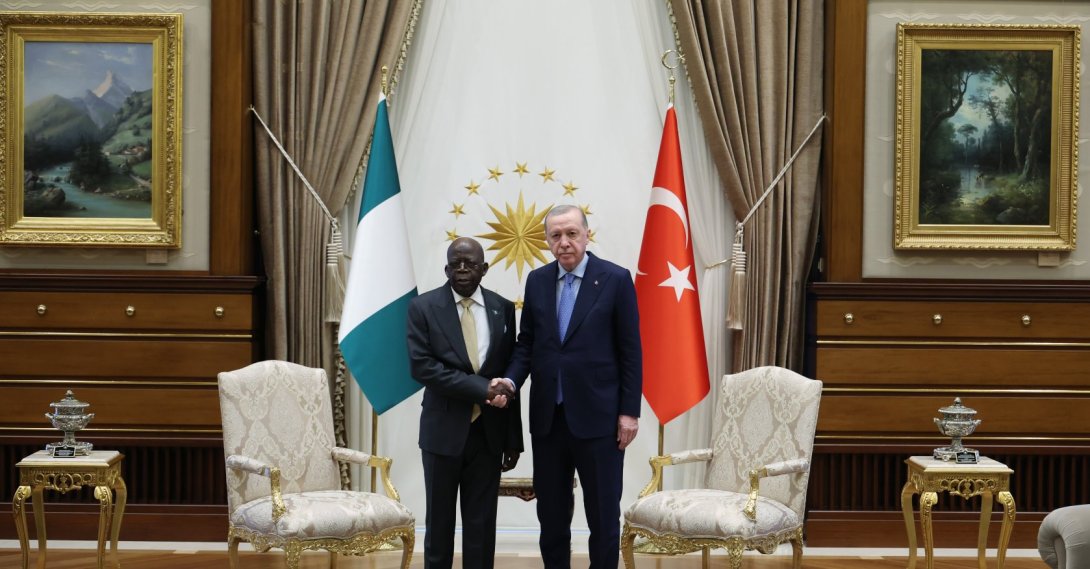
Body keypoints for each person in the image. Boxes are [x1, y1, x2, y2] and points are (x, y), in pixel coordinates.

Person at [502, 205, 642, 568]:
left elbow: (631, 352)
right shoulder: (537, 281)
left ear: (586, 234)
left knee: (602, 514)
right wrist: (511, 381)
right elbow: (527, 344)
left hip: (600, 420)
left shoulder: (615, 279)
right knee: (551, 516)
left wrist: (629, 412)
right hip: (549, 419)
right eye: (555, 236)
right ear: (547, 240)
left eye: (571, 234)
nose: (564, 242)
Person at [407, 237, 522, 569]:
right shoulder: (423, 308)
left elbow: (507, 376)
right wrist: (481, 388)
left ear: (484, 269)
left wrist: (512, 439)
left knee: (481, 526)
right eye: (455, 263)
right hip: (443, 432)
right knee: (439, 526)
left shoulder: (503, 308)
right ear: (446, 268)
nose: (461, 269)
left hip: (489, 435)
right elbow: (423, 368)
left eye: (469, 263)